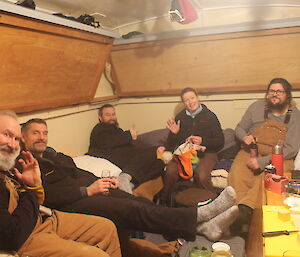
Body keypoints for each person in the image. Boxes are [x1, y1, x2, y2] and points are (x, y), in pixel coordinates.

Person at [20, 118, 239, 242]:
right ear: (24, 137)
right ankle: (199, 216)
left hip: (88, 188)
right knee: (131, 209)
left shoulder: (54, 156)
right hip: (72, 202)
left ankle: (202, 228)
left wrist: (102, 181)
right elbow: (44, 195)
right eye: (35, 133)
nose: (41, 137)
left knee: (138, 201)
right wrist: (87, 191)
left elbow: (80, 174)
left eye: (44, 133)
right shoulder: (25, 164)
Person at [0, 110, 121, 257]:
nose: (12, 145)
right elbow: (12, 236)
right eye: (6, 135)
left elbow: (38, 199)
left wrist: (33, 184)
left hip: (43, 218)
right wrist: (29, 191)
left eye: (15, 139)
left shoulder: (11, 165)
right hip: (26, 236)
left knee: (107, 228)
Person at [228, 78, 300, 237]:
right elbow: (239, 128)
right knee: (237, 175)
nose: (274, 95)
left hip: (279, 155)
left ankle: (246, 211)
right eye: (271, 91)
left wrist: (261, 162)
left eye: (279, 92)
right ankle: (237, 216)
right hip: (250, 150)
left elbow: (291, 148)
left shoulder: (294, 115)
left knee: (268, 178)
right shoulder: (256, 107)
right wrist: (244, 137)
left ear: (287, 95)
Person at [160, 87, 224, 206]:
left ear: (197, 98)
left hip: (207, 152)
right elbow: (171, 144)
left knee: (201, 175)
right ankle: (166, 204)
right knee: (170, 171)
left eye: (192, 98)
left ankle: (214, 204)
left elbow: (220, 141)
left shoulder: (210, 116)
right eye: (186, 100)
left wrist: (203, 141)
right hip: (185, 153)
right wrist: (174, 134)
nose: (190, 102)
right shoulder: (180, 117)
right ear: (184, 103)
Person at [88, 104, 164, 194]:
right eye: (108, 115)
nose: (112, 117)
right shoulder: (100, 128)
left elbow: (122, 141)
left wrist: (131, 139)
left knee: (159, 164)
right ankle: (125, 176)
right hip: (107, 154)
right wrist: (128, 135)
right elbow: (107, 142)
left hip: (122, 154)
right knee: (151, 152)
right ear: (100, 117)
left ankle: (131, 183)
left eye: (113, 114)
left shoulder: (116, 129)